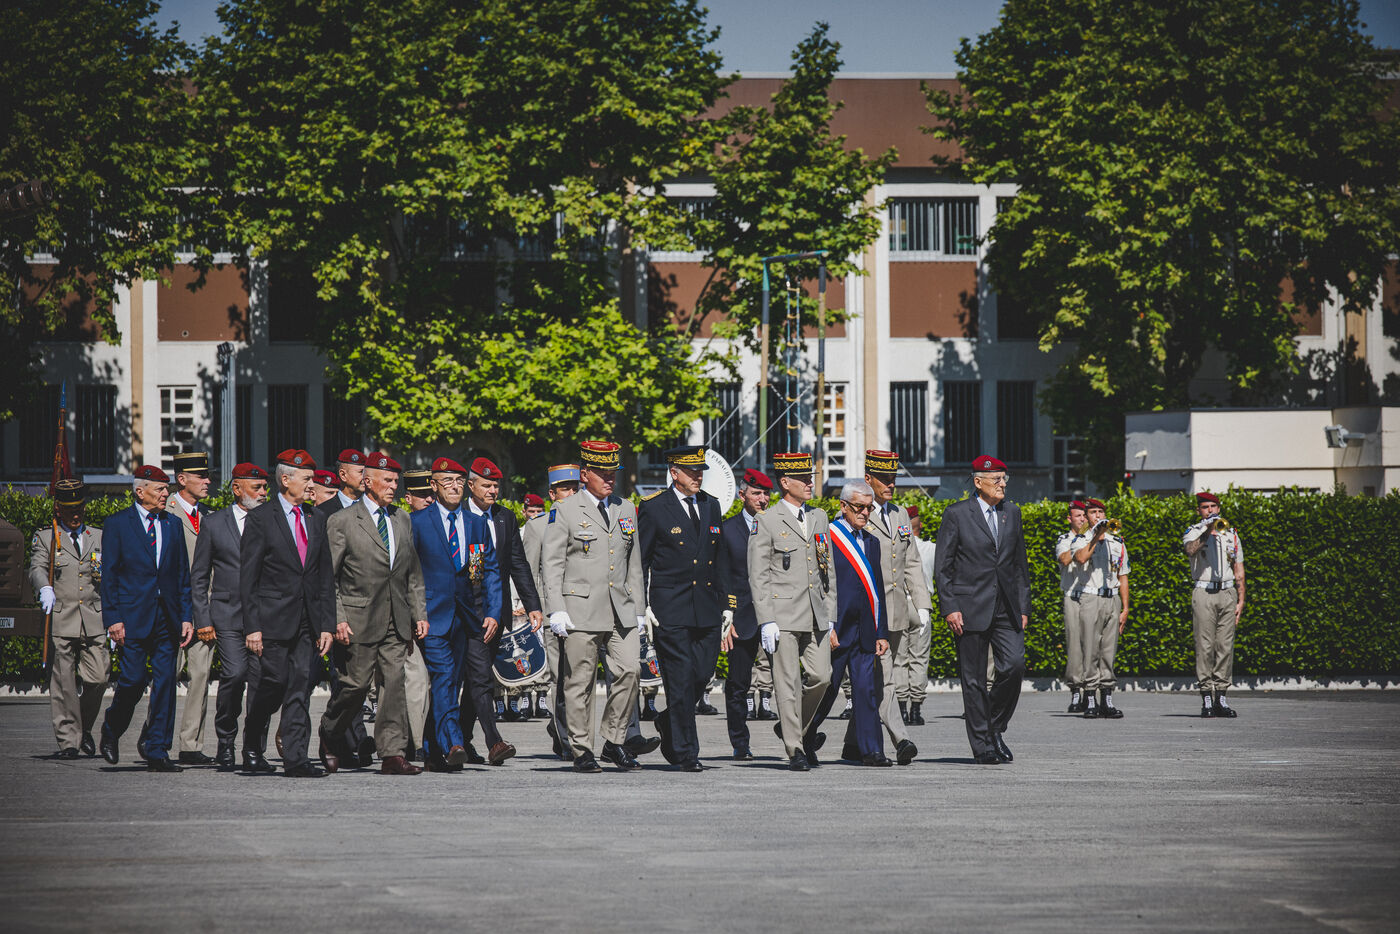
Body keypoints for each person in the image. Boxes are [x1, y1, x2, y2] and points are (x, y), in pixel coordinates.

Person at [319, 453, 429, 775]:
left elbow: (412, 573)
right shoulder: (342, 521)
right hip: (357, 619)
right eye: (388, 481)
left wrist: (418, 613)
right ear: (368, 482)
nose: (394, 486)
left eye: (396, 481)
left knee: (394, 684)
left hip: (397, 618)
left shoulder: (402, 519)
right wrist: (337, 618)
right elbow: (329, 578)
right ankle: (330, 733)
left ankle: (392, 753)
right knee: (355, 685)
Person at [540, 440, 645, 773]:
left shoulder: (625, 508)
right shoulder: (566, 510)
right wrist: (556, 608)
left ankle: (613, 740)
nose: (609, 478)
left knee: (631, 670)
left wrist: (639, 608)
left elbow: (634, 563)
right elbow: (552, 563)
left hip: (620, 608)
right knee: (579, 683)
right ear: (585, 475)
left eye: (613, 472)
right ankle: (581, 748)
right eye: (602, 473)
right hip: (580, 608)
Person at [239, 450, 335, 777]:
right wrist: (252, 627)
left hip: (308, 621)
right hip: (273, 619)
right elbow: (248, 579)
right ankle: (253, 742)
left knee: (300, 686)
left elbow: (324, 577)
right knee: (275, 683)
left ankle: (296, 758)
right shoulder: (261, 519)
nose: (312, 485)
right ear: (285, 480)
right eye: (307, 479)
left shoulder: (316, 518)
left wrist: (326, 625)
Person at [411, 456, 509, 769]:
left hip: (466, 616)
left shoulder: (475, 524)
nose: (454, 487)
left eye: (458, 481)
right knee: (442, 677)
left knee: (454, 681)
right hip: (432, 615)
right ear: (434, 485)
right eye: (447, 481)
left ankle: (432, 748)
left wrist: (492, 611)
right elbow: (408, 572)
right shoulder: (418, 522)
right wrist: (415, 612)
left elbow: (485, 571)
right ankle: (453, 741)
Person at [934, 455, 1031, 765]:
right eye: (996, 480)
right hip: (969, 608)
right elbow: (943, 567)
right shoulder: (957, 514)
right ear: (978, 482)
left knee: (1014, 666)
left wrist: (1023, 605)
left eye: (1004, 479)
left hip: (1006, 607)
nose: (1002, 485)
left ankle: (994, 726)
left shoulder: (1012, 513)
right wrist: (950, 607)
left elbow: (1019, 564)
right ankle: (983, 746)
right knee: (974, 679)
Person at [97, 465, 195, 772]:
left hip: (167, 617)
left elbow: (182, 575)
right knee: (133, 680)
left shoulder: (172, 524)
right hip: (133, 616)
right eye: (160, 489)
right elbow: (109, 576)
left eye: (167, 489)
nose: (166, 494)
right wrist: (113, 619)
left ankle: (157, 749)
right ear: (140, 492)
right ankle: (112, 727)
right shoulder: (118, 524)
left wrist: (186, 615)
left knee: (166, 683)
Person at [638, 445, 728, 772]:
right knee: (679, 679)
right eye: (691, 471)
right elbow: (641, 561)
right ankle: (686, 752)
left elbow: (719, 559)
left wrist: (727, 604)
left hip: (706, 607)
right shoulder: (654, 507)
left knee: (701, 674)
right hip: (670, 608)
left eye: (700, 471)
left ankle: (668, 720)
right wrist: (642, 605)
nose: (697, 476)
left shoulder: (710, 505)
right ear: (674, 472)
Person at [749, 452, 835, 772]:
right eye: (803, 479)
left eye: (810, 478)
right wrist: (766, 619)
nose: (810, 483)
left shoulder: (819, 517)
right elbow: (758, 574)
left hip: (816, 613)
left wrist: (831, 611)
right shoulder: (767, 520)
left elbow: (827, 567)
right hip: (782, 614)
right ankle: (795, 748)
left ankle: (791, 727)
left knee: (822, 677)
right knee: (787, 683)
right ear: (785, 483)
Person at [839, 449, 924, 766]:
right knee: (886, 679)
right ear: (868, 479)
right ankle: (901, 739)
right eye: (884, 479)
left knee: (874, 681)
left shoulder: (900, 514)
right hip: (870, 614)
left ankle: (852, 743)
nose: (891, 484)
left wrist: (922, 604)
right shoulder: (857, 514)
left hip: (897, 610)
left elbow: (911, 561)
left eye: (893, 478)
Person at [190, 462, 268, 769]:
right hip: (227, 614)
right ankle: (226, 741)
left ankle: (254, 749)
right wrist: (203, 619)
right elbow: (199, 576)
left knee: (261, 684)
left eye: (265, 487)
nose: (263, 493)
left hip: (263, 616)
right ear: (237, 488)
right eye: (256, 487)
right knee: (234, 676)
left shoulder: (271, 520)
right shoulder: (214, 523)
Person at [29, 478, 107, 759]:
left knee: (99, 678)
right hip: (62, 618)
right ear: (58, 509)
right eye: (69, 509)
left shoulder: (98, 536)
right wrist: (44, 587)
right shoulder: (47, 537)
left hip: (93, 618)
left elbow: (106, 575)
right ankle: (69, 742)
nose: (76, 514)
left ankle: (83, 727)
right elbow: (37, 568)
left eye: (79, 508)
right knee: (64, 684)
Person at [822, 480, 892, 766]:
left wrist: (881, 631)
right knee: (826, 689)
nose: (865, 513)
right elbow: (820, 586)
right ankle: (803, 736)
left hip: (864, 629)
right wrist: (826, 626)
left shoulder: (872, 542)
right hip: (836, 629)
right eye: (859, 507)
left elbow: (877, 590)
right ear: (843, 506)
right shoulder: (828, 536)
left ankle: (872, 750)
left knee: (865, 691)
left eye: (869, 508)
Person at [314, 448, 373, 761]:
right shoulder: (325, 513)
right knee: (346, 679)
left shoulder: (373, 510)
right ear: (342, 475)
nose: (365, 477)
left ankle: (341, 742)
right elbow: (324, 570)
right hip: (338, 608)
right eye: (359, 471)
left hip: (370, 611)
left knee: (357, 681)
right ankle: (356, 740)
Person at [719, 468, 771, 759]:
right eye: (756, 493)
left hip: (775, 614)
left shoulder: (777, 525)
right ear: (742, 495)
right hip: (742, 616)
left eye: (766, 494)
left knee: (789, 682)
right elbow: (721, 576)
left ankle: (797, 735)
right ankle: (740, 743)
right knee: (738, 684)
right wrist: (726, 615)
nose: (762, 499)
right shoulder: (727, 530)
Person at [1182, 491, 1245, 718]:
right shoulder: (1194, 531)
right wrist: (1208, 530)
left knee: (1225, 646)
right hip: (1204, 591)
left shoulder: (1231, 533)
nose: (1210, 510)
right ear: (1199, 510)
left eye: (1213, 507)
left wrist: (1241, 599)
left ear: (1219, 508)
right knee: (1205, 646)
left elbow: (1238, 568)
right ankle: (1206, 697)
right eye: (1205, 507)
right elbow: (1190, 550)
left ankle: (1221, 697)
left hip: (1227, 592)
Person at [1075, 498, 1130, 718]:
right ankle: (1090, 698)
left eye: (1100, 512)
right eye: (1093, 512)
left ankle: (1107, 699)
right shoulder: (1081, 539)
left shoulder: (1117, 542)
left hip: (1112, 598)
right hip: (1091, 598)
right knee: (1090, 650)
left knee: (1109, 650)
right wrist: (1096, 537)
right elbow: (1081, 558)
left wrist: (1125, 608)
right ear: (1087, 516)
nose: (1098, 516)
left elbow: (1123, 575)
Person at [894, 505, 936, 724]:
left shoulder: (897, 546)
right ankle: (916, 710)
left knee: (899, 659)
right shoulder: (931, 548)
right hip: (922, 605)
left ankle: (902, 707)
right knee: (920, 658)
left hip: (900, 603)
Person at [1056, 501, 1093, 713]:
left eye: (1084, 516)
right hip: (1073, 596)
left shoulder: (1095, 538)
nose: (1082, 519)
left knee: (1093, 645)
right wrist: (1079, 545)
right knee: (1075, 647)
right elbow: (1064, 559)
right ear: (1069, 519)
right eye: (1078, 516)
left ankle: (1092, 690)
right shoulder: (1065, 539)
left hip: (1093, 596)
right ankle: (1076, 689)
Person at [319, 450, 367, 517]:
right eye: (361, 472)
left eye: (366, 473)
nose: (366, 477)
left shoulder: (373, 507)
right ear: (343, 475)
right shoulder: (323, 511)